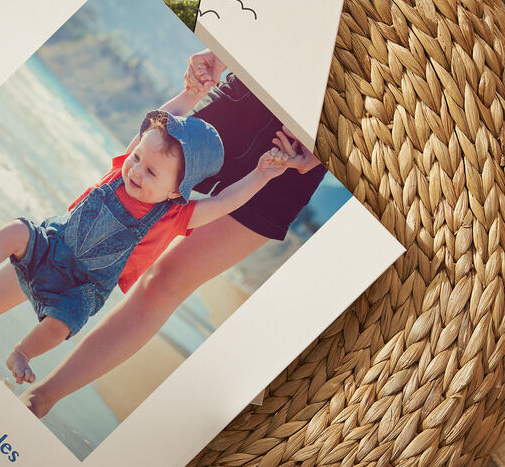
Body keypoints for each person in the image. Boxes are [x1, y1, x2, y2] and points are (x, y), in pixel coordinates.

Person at [17, 50, 327, 417]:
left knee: (165, 281)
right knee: (88, 226)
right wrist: (221, 47)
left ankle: (42, 398)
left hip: (295, 155)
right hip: (245, 101)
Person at [0, 87, 294, 385]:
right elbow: (154, 123)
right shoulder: (120, 174)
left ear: (176, 191)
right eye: (136, 158)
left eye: (151, 172)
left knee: (61, 324)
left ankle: (22, 352)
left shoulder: (175, 215)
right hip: (50, 247)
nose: (136, 169)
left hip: (81, 288)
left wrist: (262, 174)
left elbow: (225, 201)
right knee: (17, 230)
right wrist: (191, 93)